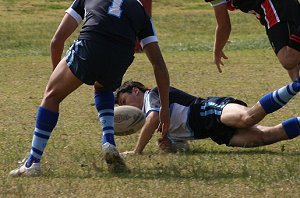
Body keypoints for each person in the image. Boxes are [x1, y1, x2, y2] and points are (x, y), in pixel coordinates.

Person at [9, 0, 170, 176]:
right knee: (103, 87)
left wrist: (57, 80)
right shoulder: (141, 10)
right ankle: (108, 141)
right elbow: (159, 65)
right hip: (120, 57)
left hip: (92, 45)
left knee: (51, 97)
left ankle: (32, 162)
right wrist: (164, 108)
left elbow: (57, 41)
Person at [114, 80, 300, 154]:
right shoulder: (156, 124)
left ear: (136, 91)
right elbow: (184, 148)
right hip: (213, 132)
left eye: (125, 101)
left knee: (247, 118)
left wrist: (137, 151)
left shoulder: (152, 95)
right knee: (264, 137)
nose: (127, 108)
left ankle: (296, 85)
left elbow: (153, 118)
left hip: (208, 110)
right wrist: (169, 146)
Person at [205, 0, 300, 81]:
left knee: (288, 59)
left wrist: (217, 50)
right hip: (275, 6)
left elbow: (224, 26)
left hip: (273, 5)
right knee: (294, 61)